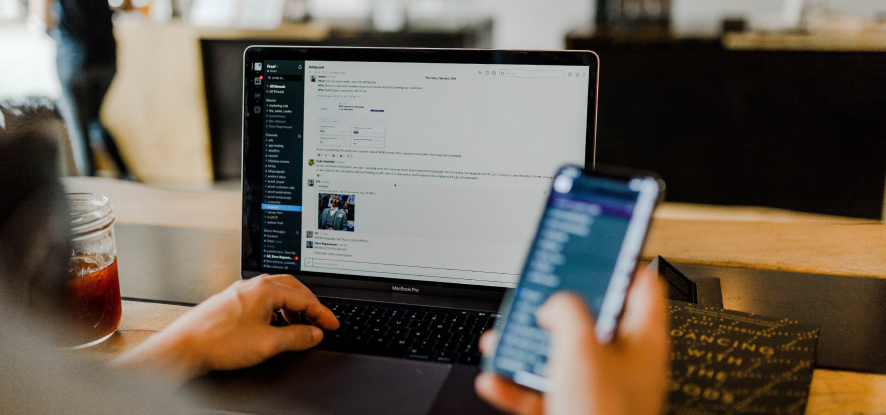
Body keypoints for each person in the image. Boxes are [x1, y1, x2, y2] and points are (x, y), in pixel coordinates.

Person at [37, 0, 132, 178]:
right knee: (94, 120)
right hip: (106, 56)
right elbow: (126, 5)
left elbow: (44, 19)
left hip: (74, 57)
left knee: (79, 128)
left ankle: (89, 188)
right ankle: (127, 175)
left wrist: (52, 30)